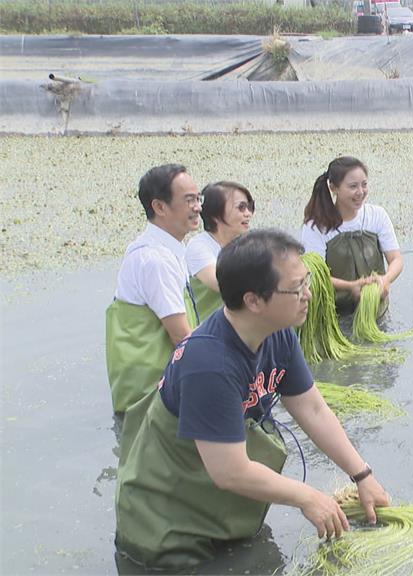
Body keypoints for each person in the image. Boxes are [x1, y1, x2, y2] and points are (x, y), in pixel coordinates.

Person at [115, 229, 390, 570]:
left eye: (307, 282)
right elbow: (229, 471)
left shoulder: (279, 333)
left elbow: (313, 409)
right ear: (253, 300)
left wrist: (362, 475)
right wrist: (306, 497)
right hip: (168, 518)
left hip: (219, 499)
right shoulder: (209, 364)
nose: (309, 295)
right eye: (297, 288)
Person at [106, 164, 201, 414]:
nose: (198, 207)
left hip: (152, 393)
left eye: (198, 199)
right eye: (189, 200)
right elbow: (182, 338)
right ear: (159, 207)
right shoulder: (155, 260)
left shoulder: (166, 249)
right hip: (150, 400)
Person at [301, 157, 403, 316]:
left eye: (364, 184)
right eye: (353, 186)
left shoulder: (377, 215)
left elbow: (396, 259)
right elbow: (314, 275)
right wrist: (350, 286)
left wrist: (385, 280)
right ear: (334, 188)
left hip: (375, 308)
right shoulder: (316, 226)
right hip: (334, 314)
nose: (360, 192)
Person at [185, 181, 255, 325]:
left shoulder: (247, 245)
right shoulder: (199, 247)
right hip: (204, 334)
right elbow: (223, 284)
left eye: (250, 207)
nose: (248, 213)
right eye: (241, 207)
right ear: (216, 214)